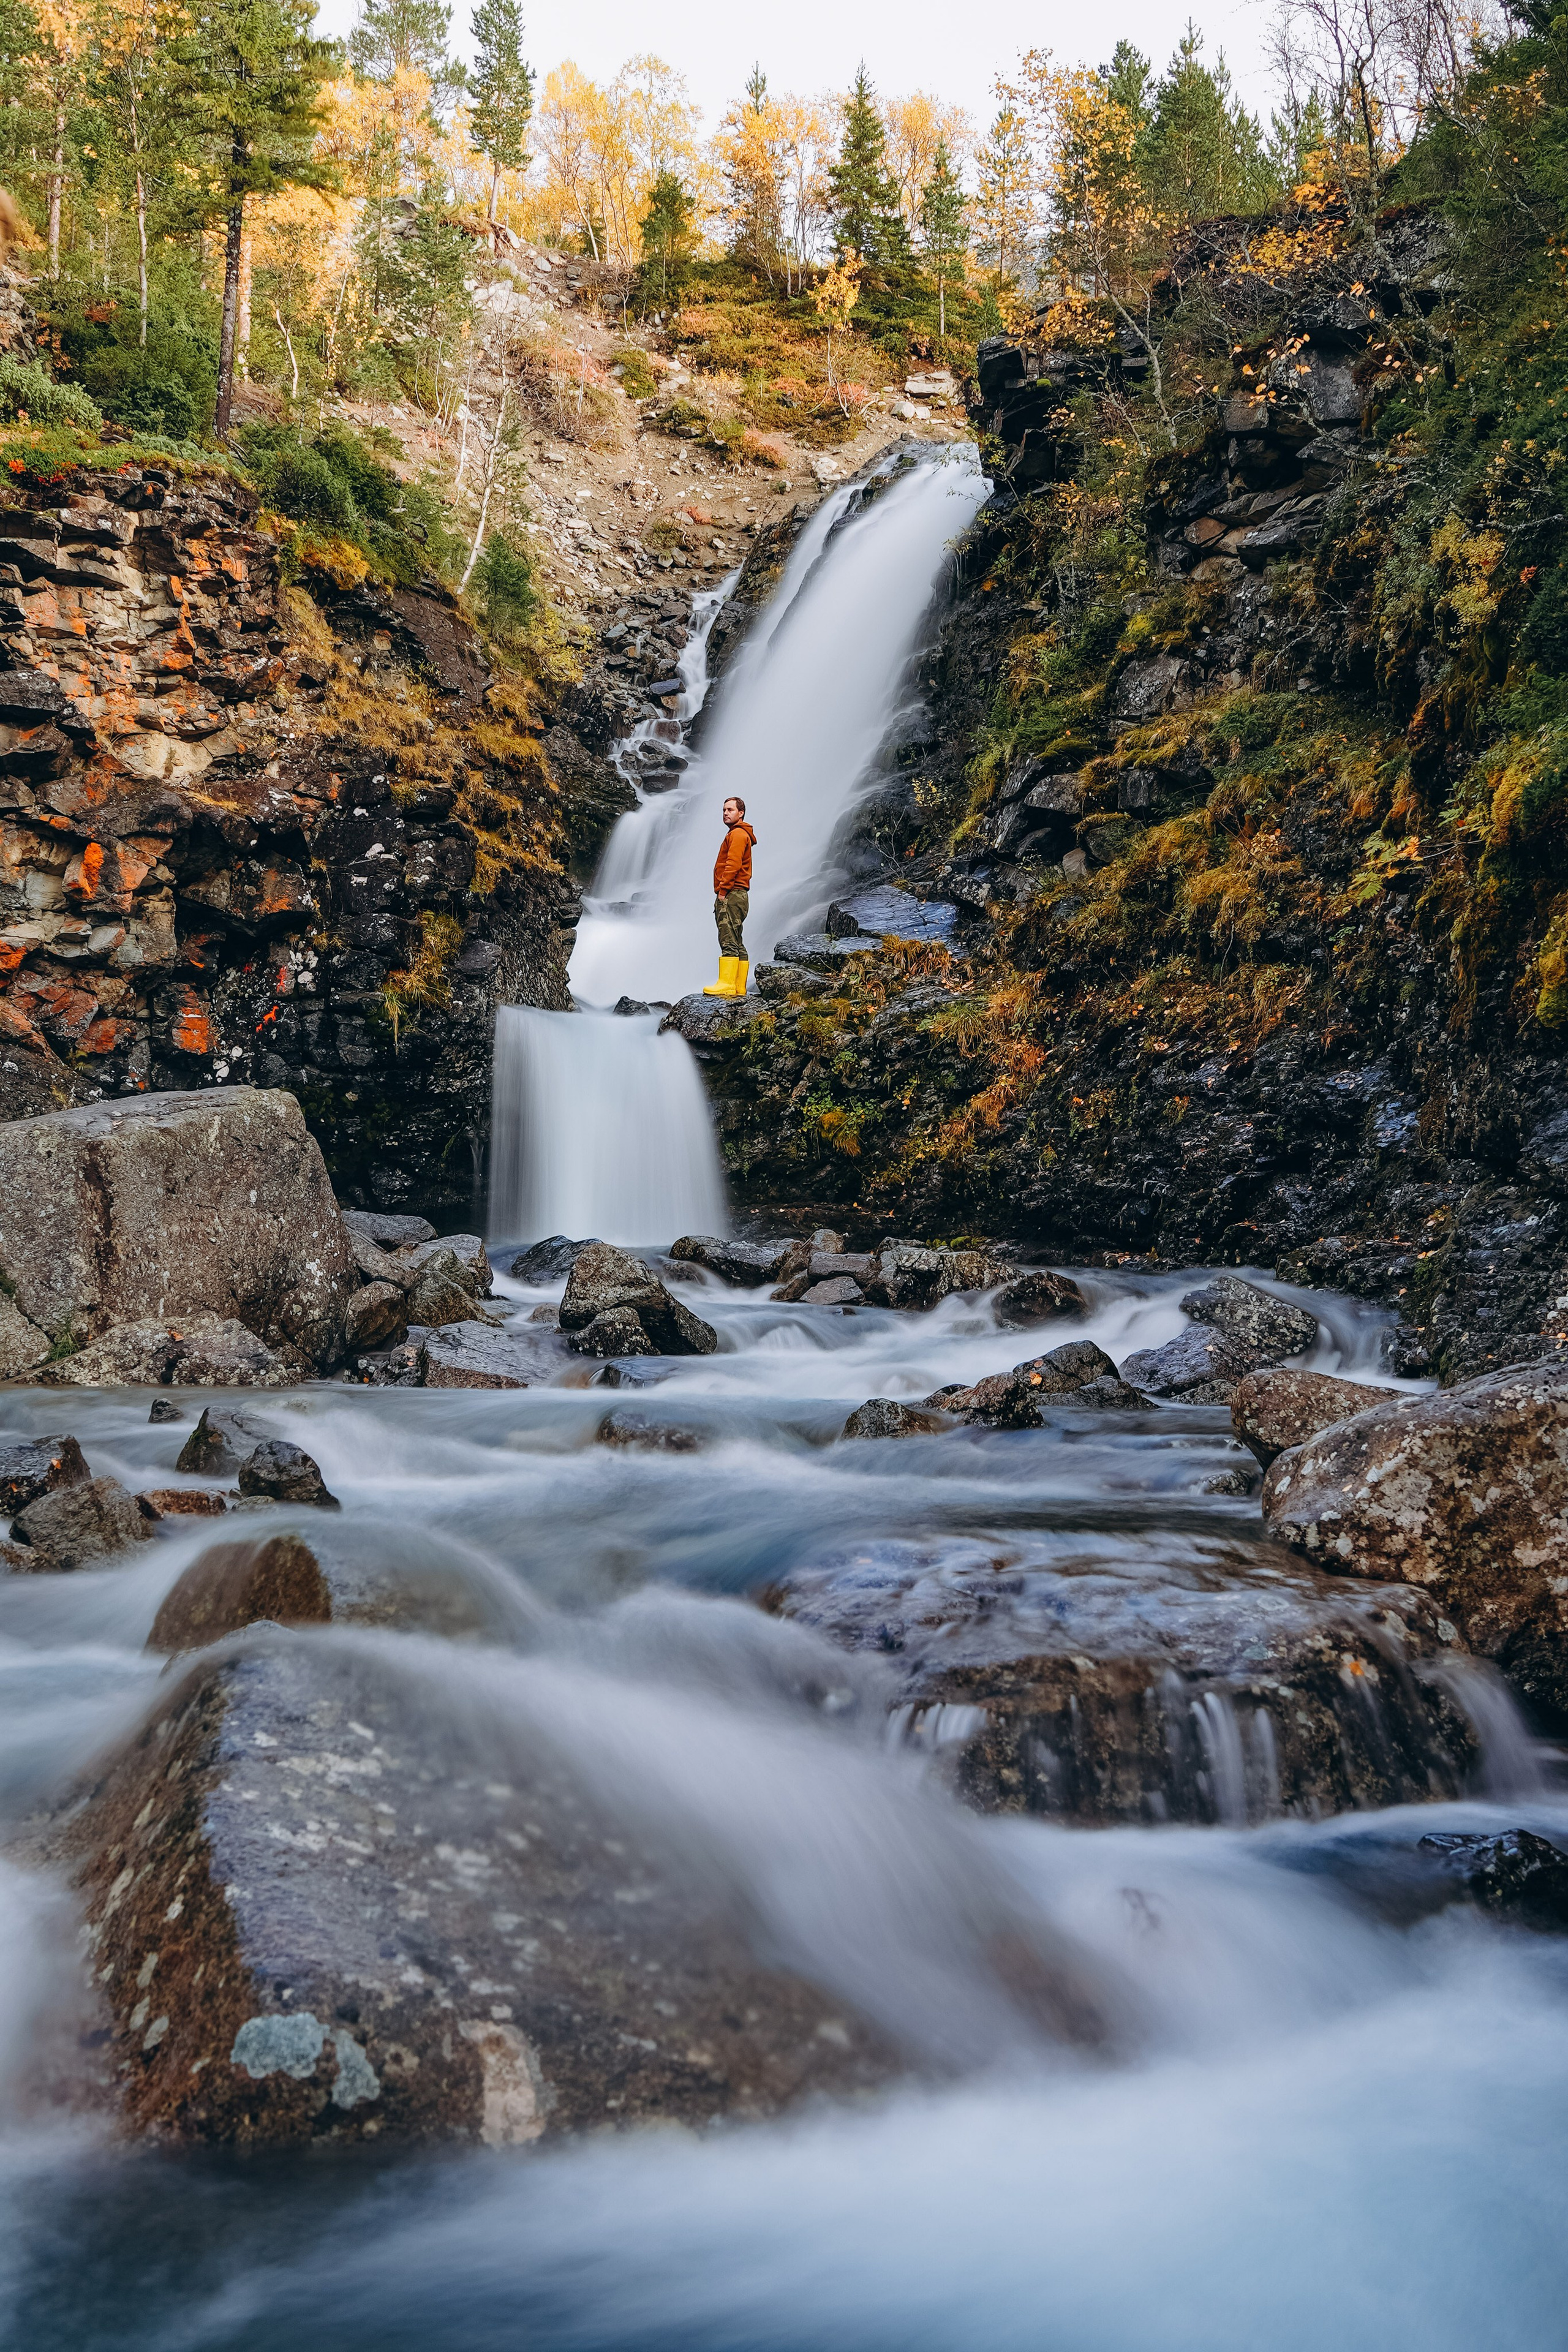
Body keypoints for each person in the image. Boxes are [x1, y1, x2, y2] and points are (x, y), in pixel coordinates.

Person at [704, 794, 756, 997]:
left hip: (732, 893)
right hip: (739, 894)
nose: (726, 813)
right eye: (724, 810)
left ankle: (726, 984)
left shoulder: (738, 835)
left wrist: (723, 890)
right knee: (736, 938)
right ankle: (738, 986)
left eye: (731, 810)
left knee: (727, 937)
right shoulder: (739, 834)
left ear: (741, 813)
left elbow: (732, 864)